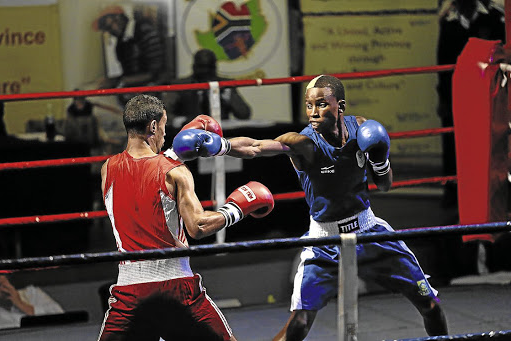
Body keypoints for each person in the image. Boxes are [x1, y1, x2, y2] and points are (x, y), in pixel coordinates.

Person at [170, 75, 449, 340]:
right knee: (299, 325)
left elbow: (385, 185)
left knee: (430, 305)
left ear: (340, 107)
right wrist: (222, 145)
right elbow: (257, 146)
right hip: (324, 243)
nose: (313, 112)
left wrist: (381, 159)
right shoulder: (303, 143)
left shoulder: (362, 130)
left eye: (321, 104)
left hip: (370, 231)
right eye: (309, 105)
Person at [98, 94, 274, 341]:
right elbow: (197, 226)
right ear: (153, 126)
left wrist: (173, 154)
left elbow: (142, 176)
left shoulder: (108, 169)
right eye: (164, 126)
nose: (165, 134)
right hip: (177, 289)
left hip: (130, 291)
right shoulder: (176, 172)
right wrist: (237, 209)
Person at [436, 0, 505, 207]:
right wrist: (443, 98)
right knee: (452, 143)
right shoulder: (449, 22)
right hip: (454, 94)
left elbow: (501, 56)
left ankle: (489, 194)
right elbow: (442, 63)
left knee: (487, 144)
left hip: (487, 95)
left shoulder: (493, 18)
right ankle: (452, 190)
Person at [92, 5, 165, 105]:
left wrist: (117, 81)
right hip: (135, 93)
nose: (109, 32)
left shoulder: (144, 31)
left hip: (152, 93)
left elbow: (155, 73)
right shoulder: (121, 42)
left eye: (109, 27)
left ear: (118, 18)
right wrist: (112, 81)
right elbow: (129, 74)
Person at [164, 49, 251, 131]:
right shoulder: (182, 86)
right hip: (190, 134)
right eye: (202, 67)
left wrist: (229, 97)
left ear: (215, 68)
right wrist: (181, 120)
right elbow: (164, 113)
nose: (205, 71)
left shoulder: (224, 85)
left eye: (209, 67)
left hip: (221, 134)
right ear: (194, 67)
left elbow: (244, 114)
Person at [0, 275, 64, 329]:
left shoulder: (32, 293)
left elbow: (60, 316)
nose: (2, 289)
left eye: (2, 284)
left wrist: (21, 304)